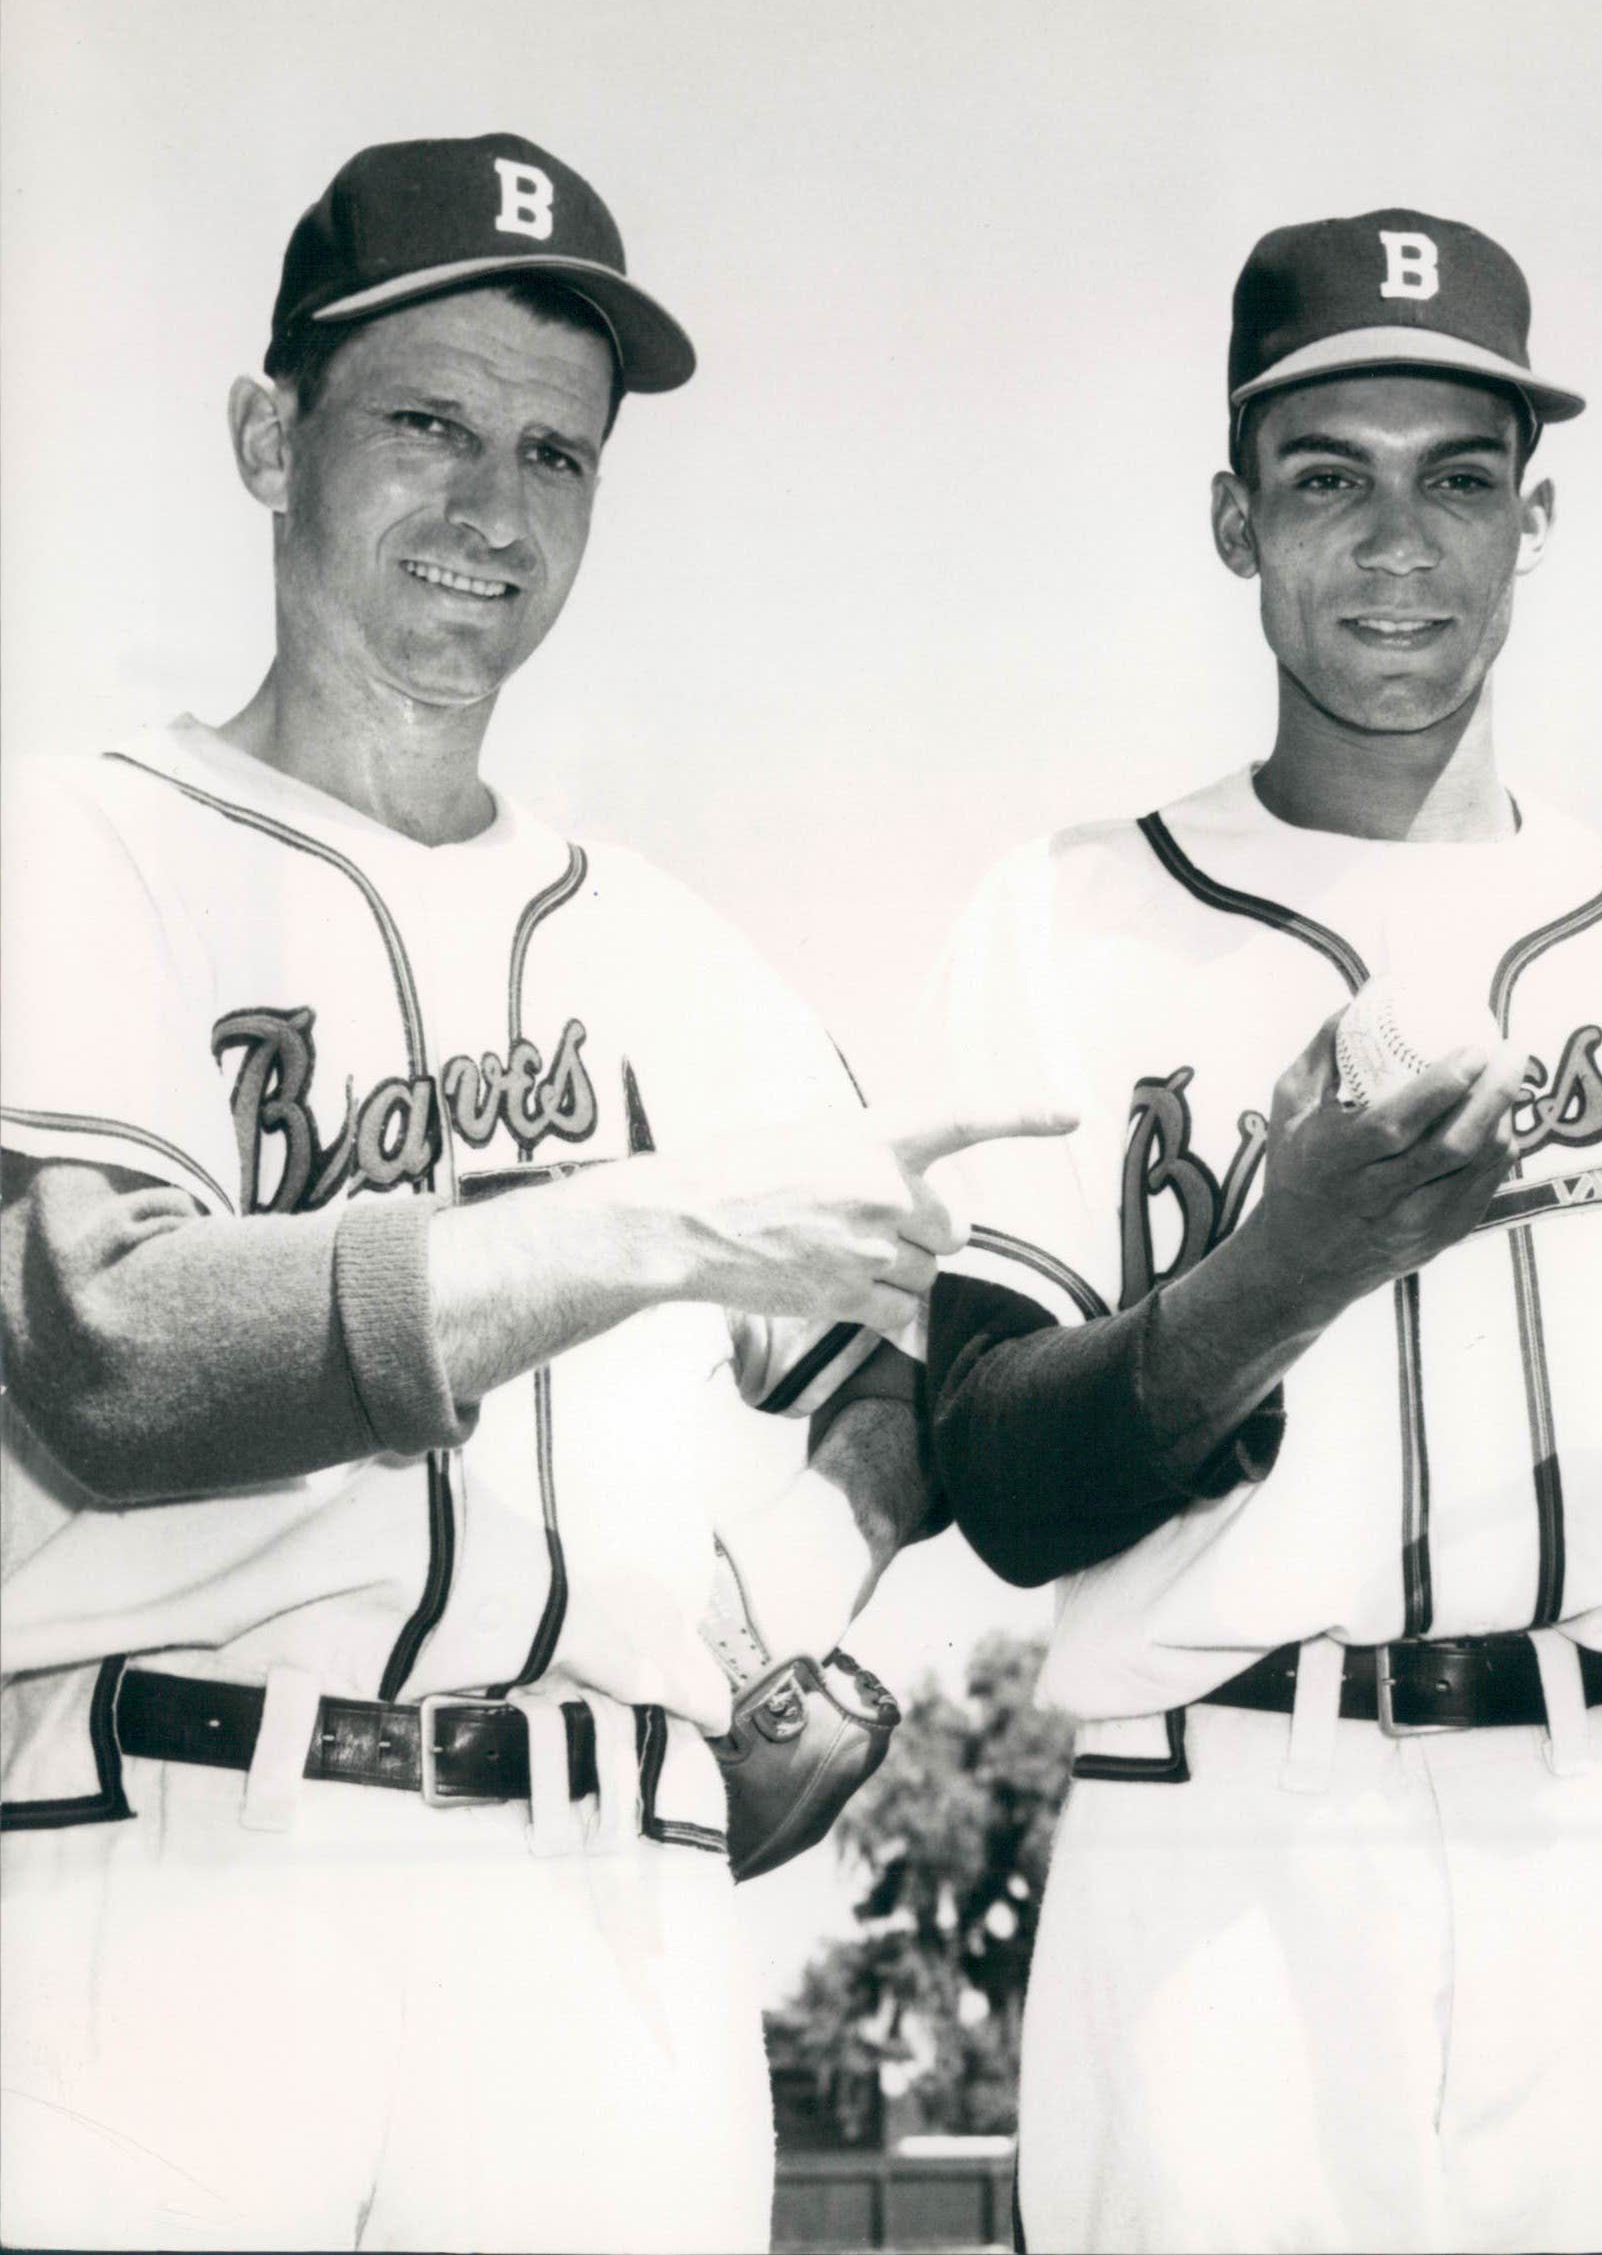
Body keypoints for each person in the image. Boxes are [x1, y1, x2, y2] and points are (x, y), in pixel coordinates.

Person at [916, 210, 1602, 2252]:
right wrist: (1278, 1273)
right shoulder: (1063, 921)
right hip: (1216, 1847)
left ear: (1536, 519)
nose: (1398, 542)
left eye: (1460, 478)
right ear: (1233, 523)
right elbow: (995, 1469)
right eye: (1328, 478)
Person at [0, 133, 1056, 2253]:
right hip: (172, 1869)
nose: (494, 507)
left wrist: (791, 1613)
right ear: (264, 434)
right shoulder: (84, 851)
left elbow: (901, 1370)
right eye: (428, 424)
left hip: (612, 1924)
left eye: (558, 456)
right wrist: (640, 1225)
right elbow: (103, 1361)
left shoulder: (679, 949)